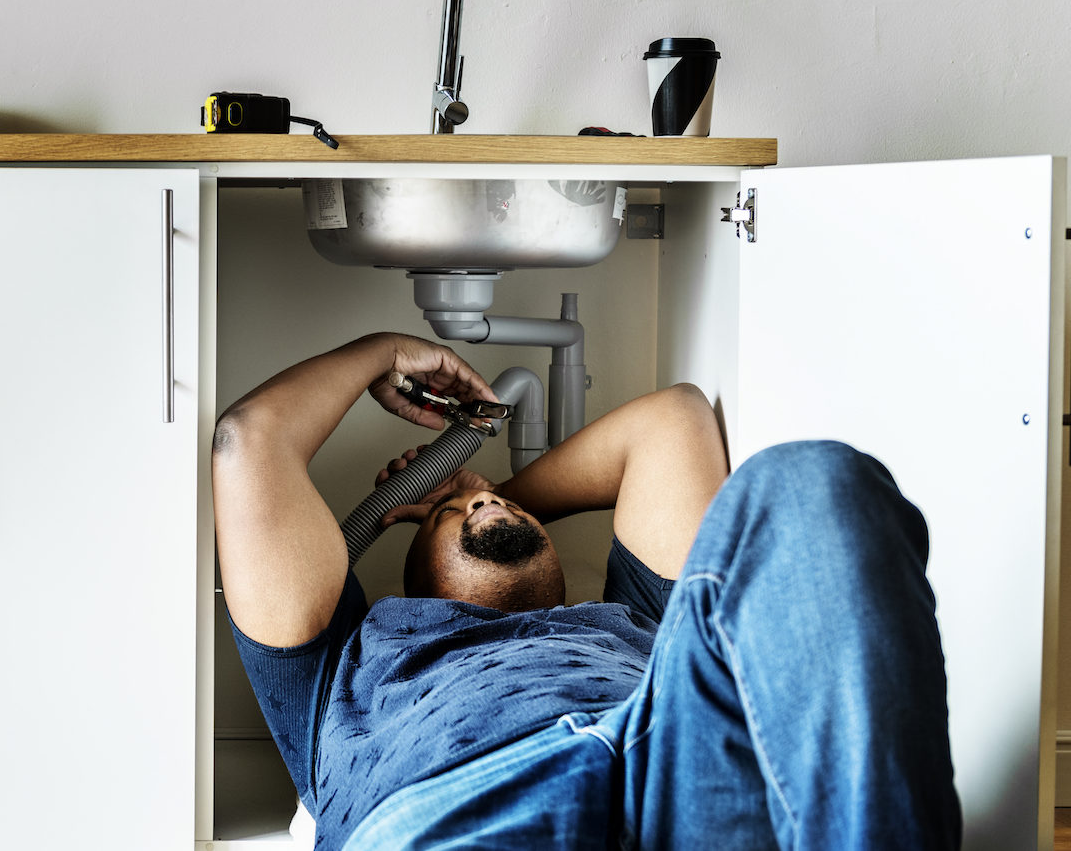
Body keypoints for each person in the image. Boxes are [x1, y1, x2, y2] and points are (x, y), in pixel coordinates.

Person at [211, 332, 960, 850]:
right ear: (408, 577)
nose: (480, 510)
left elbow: (673, 419)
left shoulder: (635, 617)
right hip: (461, 808)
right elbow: (251, 440)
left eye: (491, 508)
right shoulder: (342, 662)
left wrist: (491, 489)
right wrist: (382, 352)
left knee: (812, 484)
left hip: (673, 763)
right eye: (446, 516)